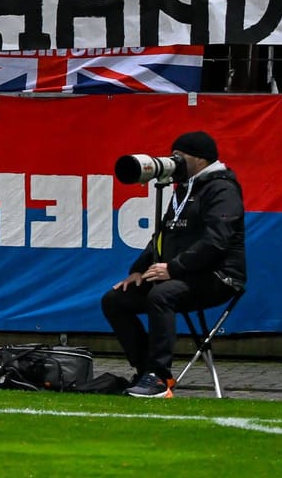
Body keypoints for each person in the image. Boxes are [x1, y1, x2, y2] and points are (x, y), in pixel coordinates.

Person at [102, 131, 245, 399]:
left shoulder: (222, 189)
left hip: (219, 277)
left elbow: (216, 242)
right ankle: (145, 371)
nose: (174, 162)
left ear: (201, 160)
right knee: (114, 299)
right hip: (184, 274)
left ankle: (159, 376)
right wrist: (138, 270)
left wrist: (174, 268)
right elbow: (162, 234)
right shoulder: (184, 189)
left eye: (180, 158)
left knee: (161, 294)